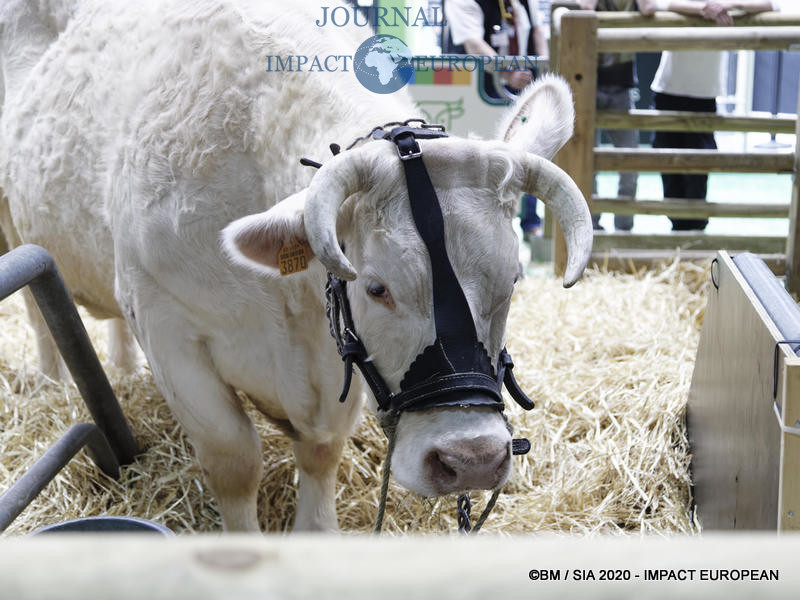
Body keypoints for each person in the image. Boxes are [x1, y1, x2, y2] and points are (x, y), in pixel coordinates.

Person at [638, 0, 780, 230]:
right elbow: (652, 6)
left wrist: (727, 5)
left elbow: (771, 5)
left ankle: (695, 228)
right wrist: (703, 9)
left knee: (699, 164)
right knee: (668, 162)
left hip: (705, 92)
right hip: (669, 86)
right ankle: (678, 227)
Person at [445, 0, 547, 240]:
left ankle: (530, 223)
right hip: (474, 96)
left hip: (521, 91)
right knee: (477, 163)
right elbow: (473, 43)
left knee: (526, 154)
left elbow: (537, 30)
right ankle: (472, 230)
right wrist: (508, 73)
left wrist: (544, 65)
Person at [578, 0, 641, 232]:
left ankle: (624, 227)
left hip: (622, 87)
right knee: (587, 160)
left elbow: (651, 7)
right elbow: (584, 9)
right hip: (588, 85)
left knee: (630, 160)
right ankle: (591, 225)